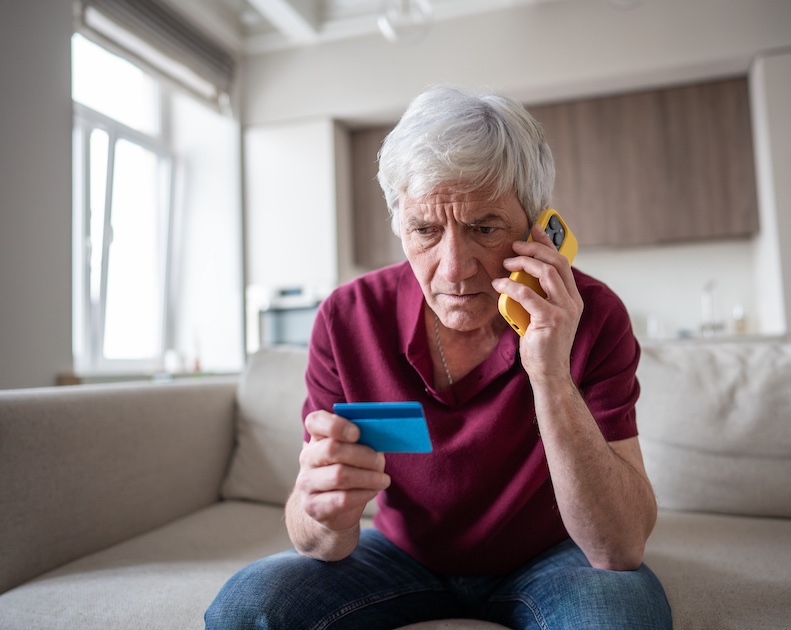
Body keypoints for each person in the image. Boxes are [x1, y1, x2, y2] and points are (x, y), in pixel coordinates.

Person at [206, 85, 672, 629]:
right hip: (401, 554)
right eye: (424, 230)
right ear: (400, 225)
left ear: (538, 229)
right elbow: (314, 536)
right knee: (245, 610)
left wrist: (548, 372)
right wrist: (323, 517)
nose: (453, 269)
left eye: (485, 228)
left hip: (552, 556)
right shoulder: (346, 317)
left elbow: (618, 550)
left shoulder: (595, 315)